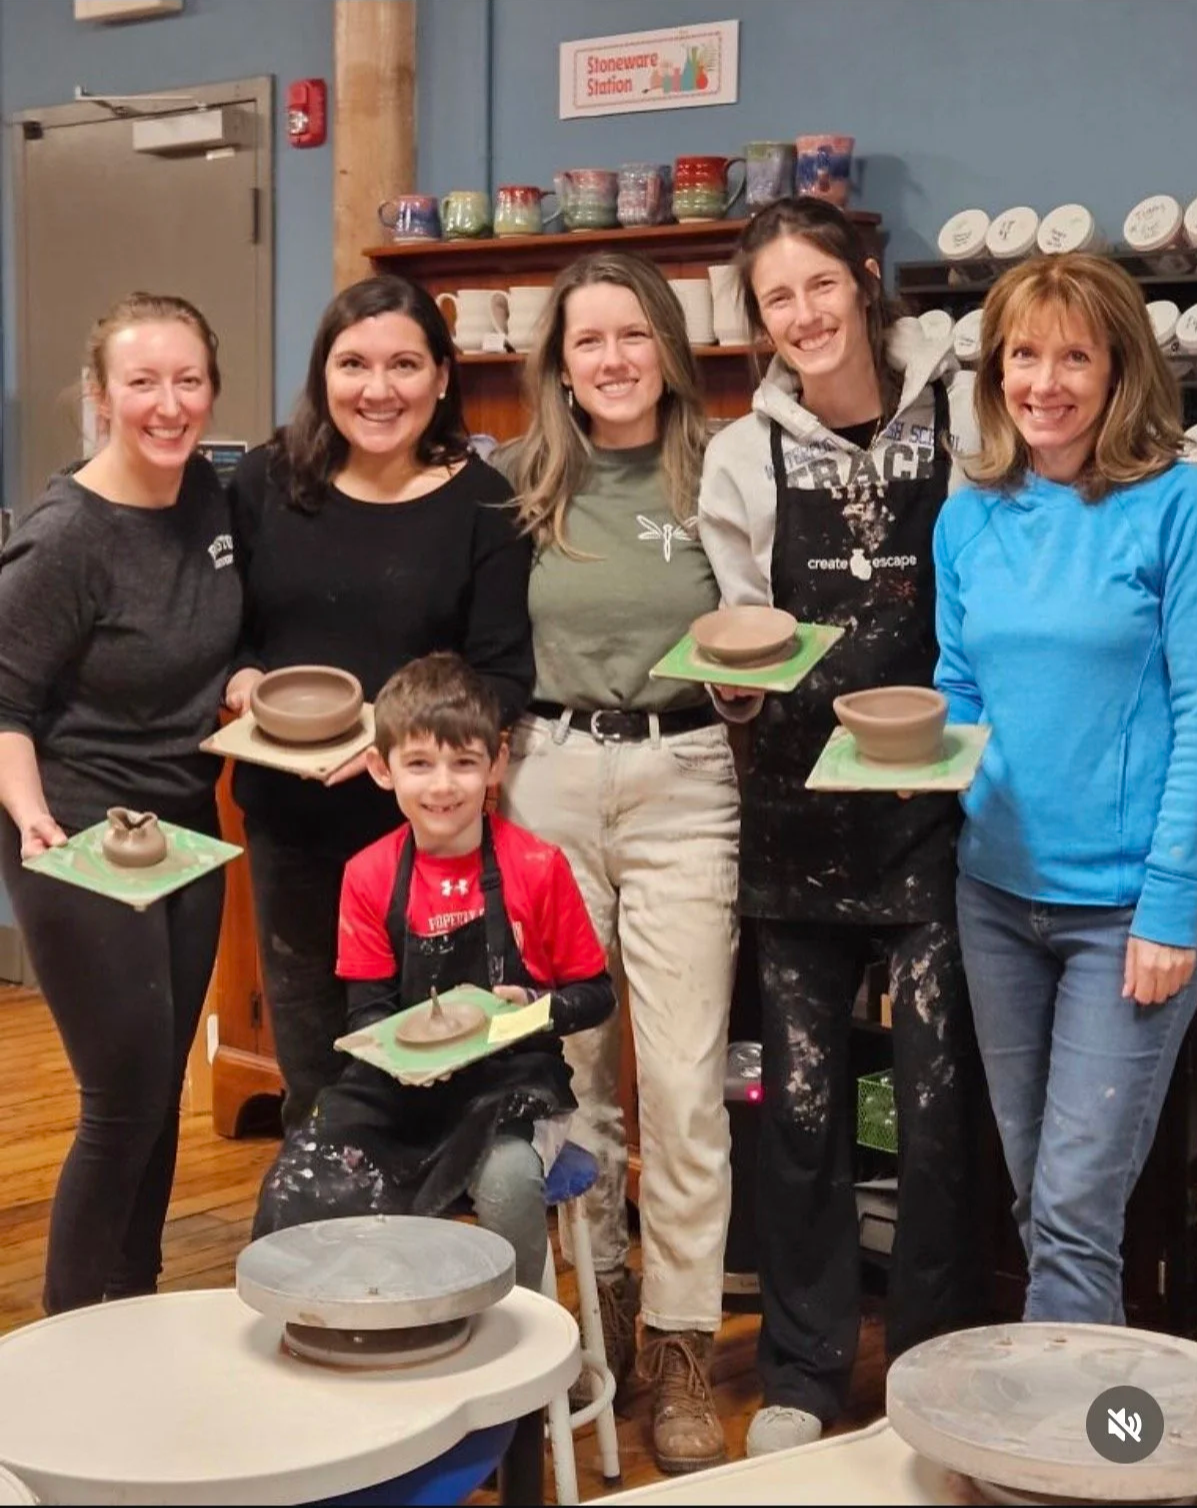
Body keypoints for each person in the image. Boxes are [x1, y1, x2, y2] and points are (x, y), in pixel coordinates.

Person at [696, 196, 984, 1456]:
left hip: (934, 800)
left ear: (866, 279)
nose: (804, 316)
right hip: (798, 806)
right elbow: (739, 617)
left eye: (820, 285)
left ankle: (930, 1368)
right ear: (757, 321)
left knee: (934, 1103)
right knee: (804, 1106)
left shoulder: (961, 404)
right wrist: (724, 676)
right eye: (777, 301)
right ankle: (805, 1371)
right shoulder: (739, 453)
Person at [497, 251, 739, 1474]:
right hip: (549, 771)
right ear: (561, 363)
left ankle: (683, 1341)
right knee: (570, 1066)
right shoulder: (524, 481)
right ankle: (593, 1307)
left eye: (632, 336)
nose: (612, 360)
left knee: (686, 1079)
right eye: (587, 341)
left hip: (687, 777)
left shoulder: (723, 466)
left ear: (669, 346)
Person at [934, 251, 1197, 1324]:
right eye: (1023, 353)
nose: (1045, 380)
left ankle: (1077, 1464)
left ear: (1119, 369)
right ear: (994, 368)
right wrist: (921, 751)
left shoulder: (1176, 504)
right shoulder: (970, 516)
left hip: (1127, 916)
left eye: (1075, 355)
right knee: (1036, 1196)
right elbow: (962, 680)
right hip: (995, 897)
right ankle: (1074, 1442)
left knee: (1076, 1208)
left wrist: (1173, 905)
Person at [225, 275, 534, 1130]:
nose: (378, 388)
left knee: (437, 1066)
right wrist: (241, 676)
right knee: (318, 1075)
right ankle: (327, 1228)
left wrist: (417, 750)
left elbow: (504, 671)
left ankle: (436, 1240)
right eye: (353, 363)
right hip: (291, 822)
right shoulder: (264, 482)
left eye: (404, 364)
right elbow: (225, 628)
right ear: (324, 373)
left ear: (442, 377)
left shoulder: (485, 503)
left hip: (428, 833)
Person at [0, 292, 240, 1313]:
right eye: (143, 381)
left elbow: (228, 631)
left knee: (162, 1092)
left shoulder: (209, 501)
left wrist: (246, 679)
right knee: (124, 1095)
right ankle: (64, 1347)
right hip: (81, 824)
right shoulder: (65, 536)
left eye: (188, 379)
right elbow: (3, 701)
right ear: (100, 397)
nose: (168, 402)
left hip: (184, 819)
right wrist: (31, 819)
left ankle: (131, 1302)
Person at [253, 652, 614, 1290]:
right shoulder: (368, 874)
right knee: (298, 1176)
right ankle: (345, 1340)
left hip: (514, 1083)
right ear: (381, 769)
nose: (442, 786)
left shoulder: (537, 866)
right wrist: (413, 1048)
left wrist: (536, 1007)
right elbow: (367, 1016)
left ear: (495, 765)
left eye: (463, 763)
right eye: (419, 764)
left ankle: (517, 1358)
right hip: (400, 1085)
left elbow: (596, 994)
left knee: (504, 1182)